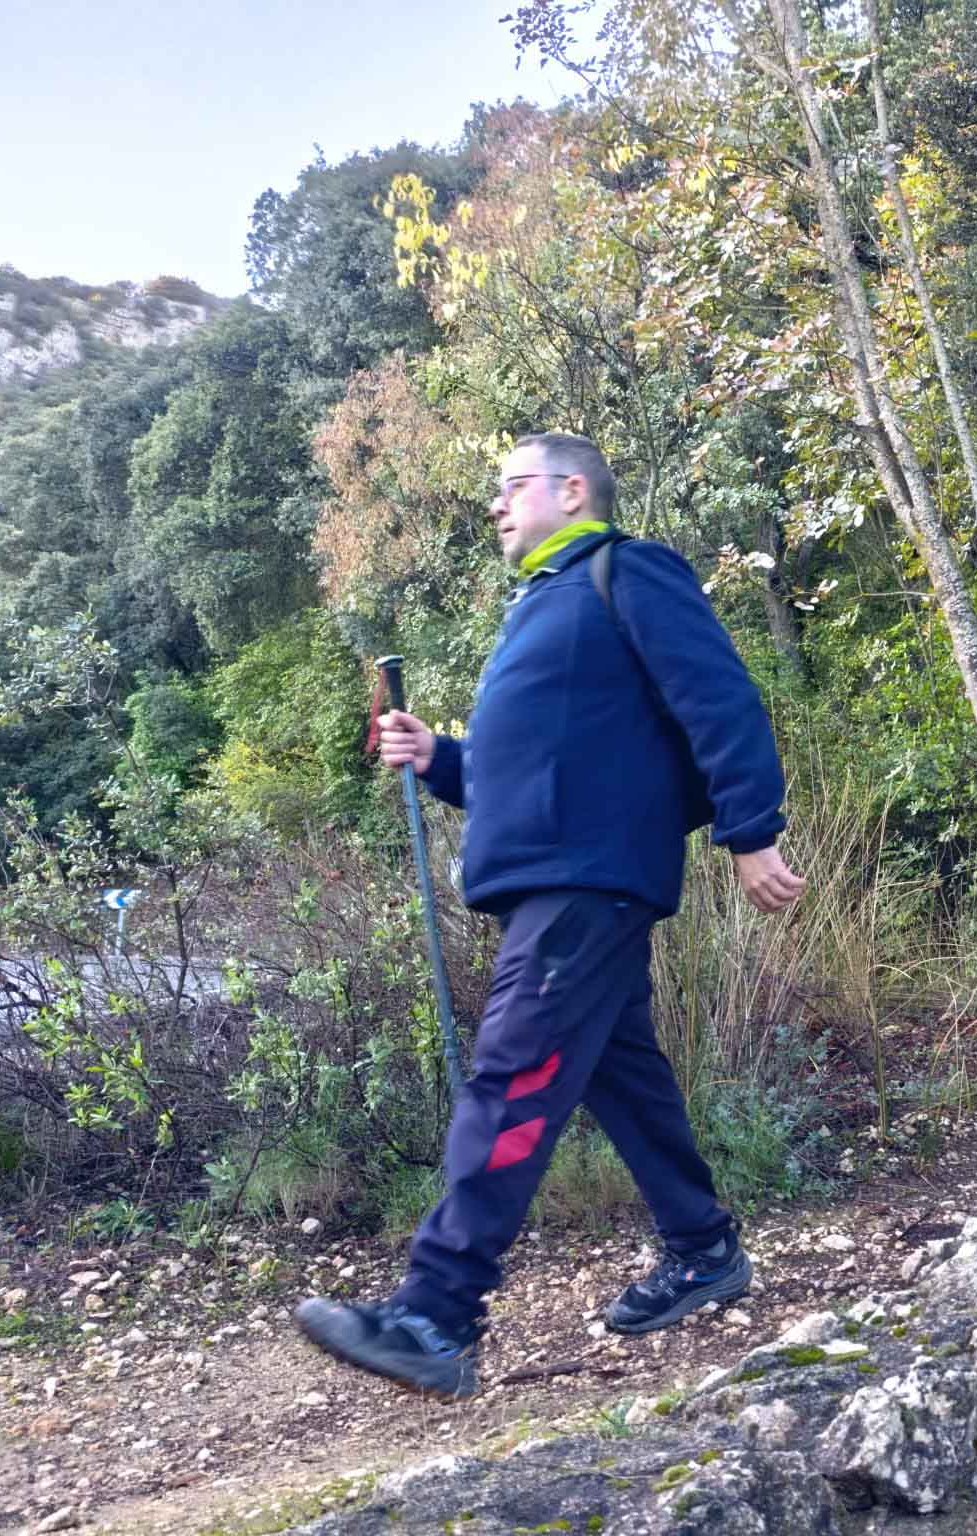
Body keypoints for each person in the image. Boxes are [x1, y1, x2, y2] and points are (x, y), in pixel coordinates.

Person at [294, 432, 806, 1400]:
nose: (497, 504)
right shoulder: (538, 609)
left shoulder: (627, 572)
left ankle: (436, 1314)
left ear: (574, 492)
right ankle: (703, 1252)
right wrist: (438, 754)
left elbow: (722, 698)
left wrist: (752, 830)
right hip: (562, 882)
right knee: (625, 1083)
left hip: (587, 886)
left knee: (509, 1079)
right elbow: (517, 775)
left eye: (512, 486)